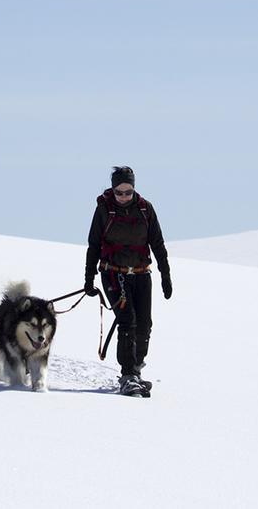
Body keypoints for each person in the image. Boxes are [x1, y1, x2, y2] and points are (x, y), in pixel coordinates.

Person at [84, 165, 172, 396]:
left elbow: (158, 244)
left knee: (145, 325)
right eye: (119, 192)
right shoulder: (104, 210)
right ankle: (127, 375)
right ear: (112, 190)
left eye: (128, 192)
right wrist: (89, 277)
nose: (123, 197)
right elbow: (93, 244)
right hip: (113, 273)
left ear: (134, 189)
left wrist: (165, 275)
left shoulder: (145, 209)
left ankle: (135, 369)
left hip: (142, 274)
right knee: (127, 322)